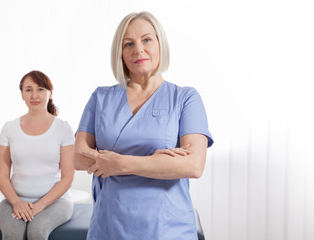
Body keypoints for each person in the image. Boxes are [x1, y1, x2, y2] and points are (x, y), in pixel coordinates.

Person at [74, 11, 214, 239]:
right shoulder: (100, 98)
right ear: (120, 53)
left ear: (160, 44)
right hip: (110, 225)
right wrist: (156, 162)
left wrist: (121, 163)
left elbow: (193, 165)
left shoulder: (185, 98)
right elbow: (79, 157)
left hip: (166, 228)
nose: (138, 49)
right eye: (128, 43)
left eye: (146, 39)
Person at [0, 70, 74, 240]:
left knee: (37, 231)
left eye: (40, 89)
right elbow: (2, 174)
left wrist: (39, 206)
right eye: (28, 89)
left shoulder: (63, 128)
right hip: (14, 201)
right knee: (12, 233)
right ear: (22, 94)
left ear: (50, 93)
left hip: (55, 202)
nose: (34, 95)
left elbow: (68, 177)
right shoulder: (9, 128)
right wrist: (17, 203)